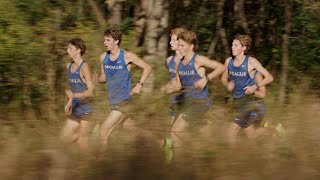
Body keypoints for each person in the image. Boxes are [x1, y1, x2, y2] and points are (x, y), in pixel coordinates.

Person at [163, 30, 225, 150]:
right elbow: (179, 85)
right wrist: (167, 89)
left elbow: (221, 67)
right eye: (179, 45)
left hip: (199, 102)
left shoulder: (198, 59)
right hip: (188, 103)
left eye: (182, 46)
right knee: (184, 133)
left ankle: (198, 149)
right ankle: (202, 153)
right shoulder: (178, 64)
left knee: (176, 131)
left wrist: (206, 79)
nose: (179, 48)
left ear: (191, 46)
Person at [96, 27, 152, 154]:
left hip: (124, 100)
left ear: (116, 41)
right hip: (113, 100)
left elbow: (147, 67)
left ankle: (101, 162)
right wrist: (96, 80)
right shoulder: (103, 57)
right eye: (104, 40)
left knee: (104, 130)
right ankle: (159, 144)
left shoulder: (127, 56)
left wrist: (139, 85)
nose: (105, 43)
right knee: (131, 131)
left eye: (108, 40)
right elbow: (104, 77)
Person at [220, 34, 273, 145]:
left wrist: (254, 88)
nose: (232, 47)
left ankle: (230, 159)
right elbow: (223, 78)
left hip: (250, 103)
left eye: (236, 45)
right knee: (251, 136)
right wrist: (227, 84)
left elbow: (269, 77)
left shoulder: (251, 62)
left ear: (243, 48)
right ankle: (272, 131)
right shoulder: (228, 61)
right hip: (238, 102)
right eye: (232, 45)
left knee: (231, 133)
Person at [60, 38, 95, 152]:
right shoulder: (68, 66)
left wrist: (73, 96)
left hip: (86, 107)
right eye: (67, 48)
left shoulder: (84, 67)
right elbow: (73, 89)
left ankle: (96, 163)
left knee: (82, 142)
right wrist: (69, 102)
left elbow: (91, 92)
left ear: (78, 50)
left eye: (70, 48)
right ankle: (82, 137)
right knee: (63, 139)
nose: (67, 50)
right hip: (75, 107)